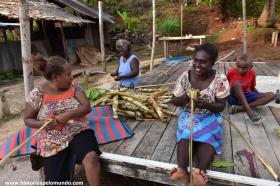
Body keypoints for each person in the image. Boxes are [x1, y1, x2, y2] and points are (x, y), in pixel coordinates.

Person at [24, 56, 101, 186]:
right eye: (68, 74)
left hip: (78, 130)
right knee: (55, 181)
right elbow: (27, 120)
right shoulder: (37, 94)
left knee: (91, 158)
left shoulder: (74, 86)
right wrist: (44, 124)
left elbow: (86, 107)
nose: (71, 77)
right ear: (55, 77)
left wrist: (67, 115)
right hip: (51, 138)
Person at [169, 43, 230, 185]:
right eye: (195, 60)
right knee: (185, 136)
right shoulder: (185, 77)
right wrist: (184, 99)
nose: (197, 64)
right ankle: (182, 170)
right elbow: (174, 100)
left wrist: (207, 104)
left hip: (209, 115)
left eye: (203, 61)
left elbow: (221, 106)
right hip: (188, 114)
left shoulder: (220, 80)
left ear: (213, 62)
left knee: (208, 138)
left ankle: (200, 172)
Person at [226, 54, 275, 124]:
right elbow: (226, 86)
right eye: (238, 67)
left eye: (244, 68)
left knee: (272, 95)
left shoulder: (252, 73)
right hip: (233, 97)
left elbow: (252, 87)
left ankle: (241, 108)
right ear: (236, 65)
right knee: (237, 84)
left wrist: (259, 96)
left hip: (246, 96)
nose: (241, 70)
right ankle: (249, 112)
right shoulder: (232, 72)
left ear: (250, 67)